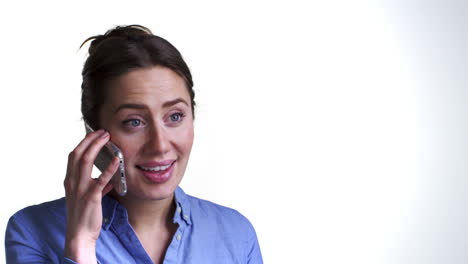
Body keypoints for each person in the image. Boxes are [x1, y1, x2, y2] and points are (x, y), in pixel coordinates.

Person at [5, 25, 263, 264]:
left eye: (175, 116)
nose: (160, 145)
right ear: (93, 132)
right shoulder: (32, 230)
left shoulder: (236, 234)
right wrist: (81, 242)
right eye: (133, 122)